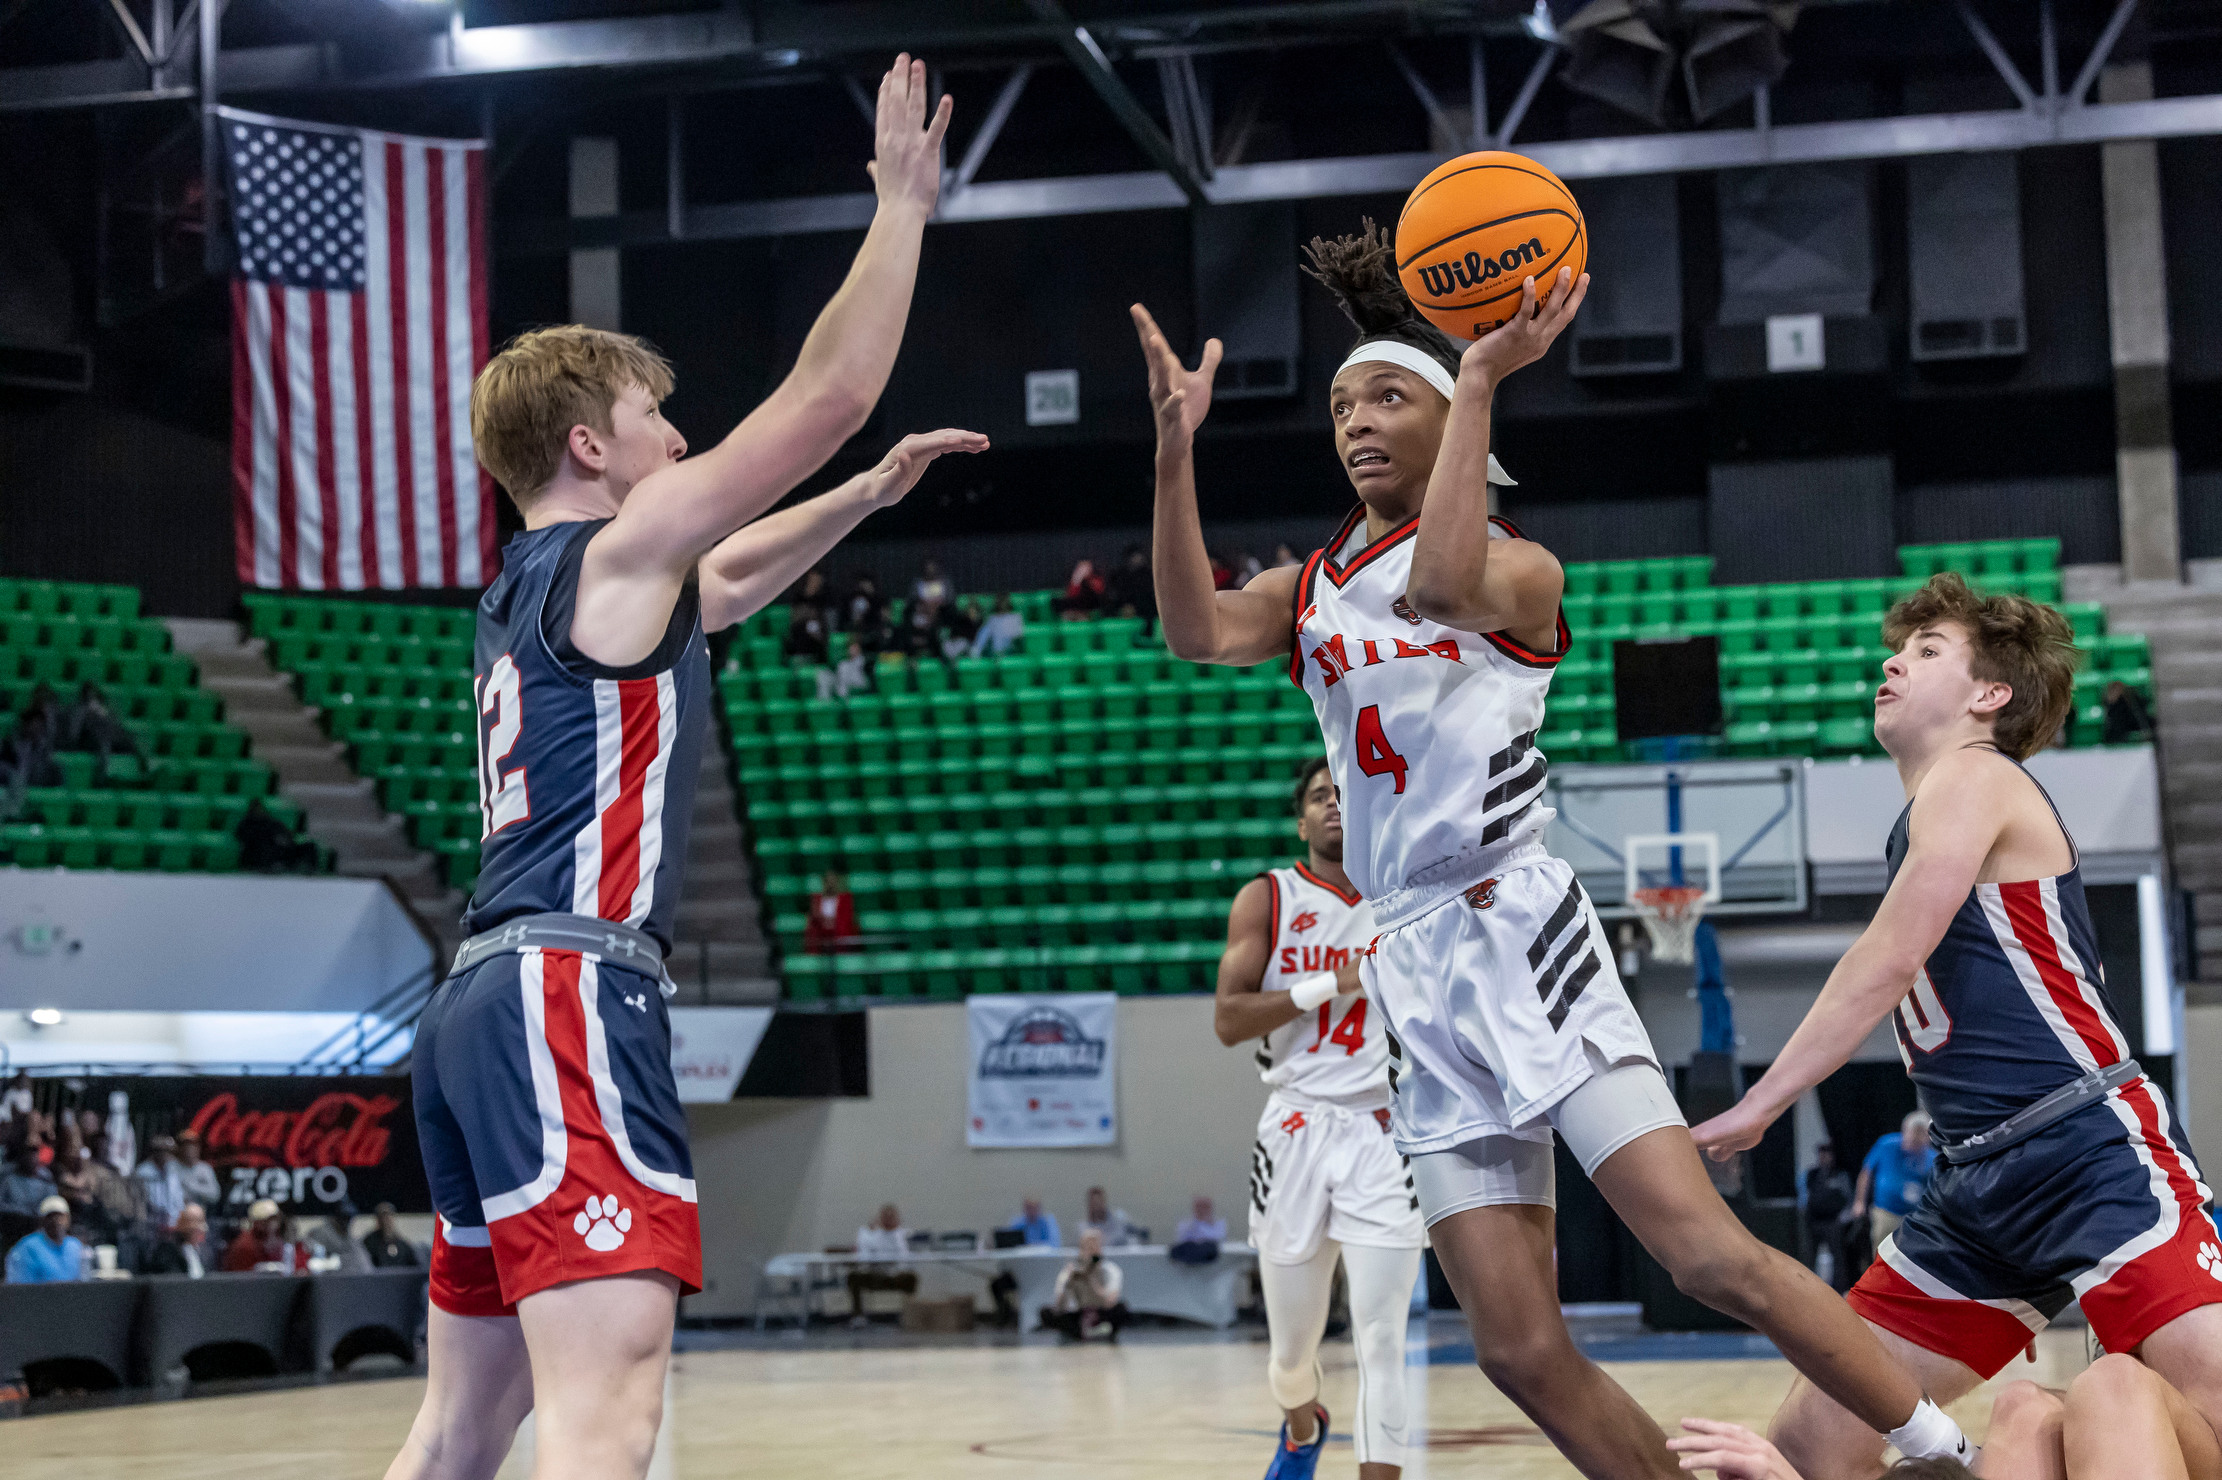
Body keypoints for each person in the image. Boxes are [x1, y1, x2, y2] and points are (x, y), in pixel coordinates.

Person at [1134, 222, 1974, 1477]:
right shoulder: (1310, 587)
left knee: (1702, 1255)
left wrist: (1475, 375)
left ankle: (1934, 1450)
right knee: (1515, 1346)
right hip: (1406, 956)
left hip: (1513, 924)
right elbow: (1193, 629)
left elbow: (1442, 589)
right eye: (1337, 406)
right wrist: (1171, 452)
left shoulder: (1522, 567)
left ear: (1444, 419)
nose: (1352, 422)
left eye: (1382, 397)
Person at [391, 57, 979, 1480]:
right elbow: (828, 393)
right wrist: (900, 206)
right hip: (569, 1000)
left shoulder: (532, 588)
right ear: (593, 447)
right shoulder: (611, 555)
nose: (687, 439)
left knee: (466, 1423)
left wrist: (863, 497)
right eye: (663, 423)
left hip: (480, 1005)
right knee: (607, 1410)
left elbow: (723, 579)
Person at [1690, 573, 2222, 1480]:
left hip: (2090, 1146)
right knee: (1808, 1451)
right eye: (1900, 649)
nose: (1892, 661)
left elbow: (1887, 957)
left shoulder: (1976, 773)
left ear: (1989, 696)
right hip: (1975, 1182)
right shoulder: (1931, 808)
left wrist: (1762, 1102)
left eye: (1927, 651)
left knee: (2188, 1423)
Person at [1214, 754, 1424, 1480]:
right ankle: (1303, 1429)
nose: (1334, 804)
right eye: (1318, 796)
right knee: (1290, 1357)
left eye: (1345, 793)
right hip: (1297, 1125)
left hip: (1384, 1129)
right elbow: (1228, 1020)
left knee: (1382, 1340)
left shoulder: (1406, 895)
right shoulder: (1266, 899)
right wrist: (1328, 985)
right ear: (1299, 819)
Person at [1849, 1112, 1934, 1253]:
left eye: (1919, 1141)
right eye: (1912, 1140)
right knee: (1881, 1252)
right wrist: (1859, 1202)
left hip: (1914, 1218)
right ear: (1905, 1131)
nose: (1914, 1145)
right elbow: (1866, 1173)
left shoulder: (1932, 1158)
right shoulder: (1887, 1144)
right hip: (1886, 1212)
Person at [1041, 1229, 1129, 1341]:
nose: (1090, 1252)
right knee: (1046, 1312)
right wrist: (1068, 1285)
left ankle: (1096, 1329)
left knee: (1121, 1309)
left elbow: (1110, 1301)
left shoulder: (1110, 1270)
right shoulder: (1070, 1271)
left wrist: (1092, 1281)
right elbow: (1060, 1306)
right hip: (1079, 1314)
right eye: (1086, 1248)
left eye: (1093, 1248)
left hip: (1102, 1312)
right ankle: (1083, 1330)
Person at [847, 1203, 918, 1325]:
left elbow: (905, 1258)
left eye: (891, 1217)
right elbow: (864, 1256)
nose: (888, 1220)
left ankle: (910, 1314)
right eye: (885, 1216)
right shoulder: (872, 1235)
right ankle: (858, 1316)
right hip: (877, 1275)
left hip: (897, 1276)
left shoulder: (903, 1235)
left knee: (911, 1278)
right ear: (880, 1218)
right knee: (853, 1277)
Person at [60, 680, 144, 781]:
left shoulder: (104, 708)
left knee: (132, 740)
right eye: (89, 695)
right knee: (103, 741)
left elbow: (116, 725)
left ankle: (143, 768)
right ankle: (102, 776)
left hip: (110, 736)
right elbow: (74, 732)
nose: (92, 698)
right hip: (90, 740)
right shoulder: (79, 709)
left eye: (94, 695)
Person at [1797, 1142, 1854, 1289]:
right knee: (1809, 1255)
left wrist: (1842, 1218)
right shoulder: (1811, 1174)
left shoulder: (1840, 1175)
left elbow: (1849, 1198)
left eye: (1827, 1153)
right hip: (1814, 1220)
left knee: (1838, 1258)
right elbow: (1803, 1195)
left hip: (1833, 1221)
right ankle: (1806, 1286)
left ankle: (1839, 1289)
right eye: (1821, 1153)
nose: (1824, 1156)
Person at [5, 1196, 87, 1283]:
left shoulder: (75, 1245)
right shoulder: (27, 1247)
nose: (56, 1221)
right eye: (50, 1217)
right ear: (42, 1220)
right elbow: (19, 1287)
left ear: (68, 1219)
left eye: (60, 1216)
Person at [236, 797, 320, 873]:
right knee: (266, 848)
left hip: (282, 848)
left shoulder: (271, 821)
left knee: (309, 846)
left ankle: (308, 868)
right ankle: (272, 866)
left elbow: (286, 833)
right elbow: (244, 838)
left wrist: (285, 839)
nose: (258, 811)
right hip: (261, 852)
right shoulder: (246, 824)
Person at [223, 1198, 304, 1272]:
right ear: (256, 1222)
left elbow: (297, 1266)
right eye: (266, 1220)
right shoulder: (244, 1245)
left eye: (275, 1218)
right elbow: (241, 1278)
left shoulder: (283, 1239)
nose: (272, 1223)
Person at [135, 1134, 188, 1234]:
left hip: (172, 1225)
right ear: (155, 1152)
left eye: (169, 1151)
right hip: (149, 1224)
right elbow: (144, 1202)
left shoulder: (173, 1172)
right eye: (162, 1151)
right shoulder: (143, 1172)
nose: (166, 1155)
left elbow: (178, 1200)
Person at [146, 1202, 214, 1278]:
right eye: (196, 1230)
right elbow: (173, 1281)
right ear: (188, 1231)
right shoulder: (168, 1251)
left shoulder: (202, 1253)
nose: (201, 1234)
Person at [805, 869, 860, 954]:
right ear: (824, 882)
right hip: (821, 939)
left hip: (840, 938)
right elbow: (813, 919)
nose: (830, 884)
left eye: (833, 881)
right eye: (828, 881)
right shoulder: (816, 899)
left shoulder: (845, 899)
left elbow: (848, 919)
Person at [0, 1141, 55, 1217]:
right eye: (28, 1154)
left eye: (34, 1153)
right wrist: (20, 1211)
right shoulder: (9, 1180)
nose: (31, 1158)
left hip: (38, 1222)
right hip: (12, 1221)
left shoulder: (46, 1181)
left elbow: (51, 1205)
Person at [1106, 544, 1157, 624]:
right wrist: (1124, 607)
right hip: (1121, 616)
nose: (1137, 559)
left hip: (1145, 616)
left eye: (1138, 556)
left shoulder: (1148, 575)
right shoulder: (1119, 576)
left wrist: (1137, 609)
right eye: (1133, 556)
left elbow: (1150, 597)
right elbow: (1114, 596)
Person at [173, 1129, 221, 1211]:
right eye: (185, 1145)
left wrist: (191, 1186)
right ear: (179, 1148)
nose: (189, 1149)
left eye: (192, 1145)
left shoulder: (205, 1169)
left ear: (198, 1148)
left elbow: (215, 1195)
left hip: (196, 1215)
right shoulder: (171, 1166)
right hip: (174, 1214)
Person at [1170, 1196, 1225, 1265]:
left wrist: (1206, 1223)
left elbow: (1218, 1238)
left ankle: (1192, 1260)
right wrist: (1196, 1222)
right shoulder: (1186, 1223)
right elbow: (1181, 1238)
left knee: (1207, 1246)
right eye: (1199, 1207)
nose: (1201, 1209)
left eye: (1205, 1207)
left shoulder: (1219, 1223)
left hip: (1208, 1248)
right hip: (1190, 1247)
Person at [365, 1203, 422, 1268]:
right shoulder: (368, 1243)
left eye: (389, 1215)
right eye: (383, 1216)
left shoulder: (402, 1244)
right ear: (377, 1219)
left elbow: (416, 1266)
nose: (386, 1219)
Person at [2101, 678, 2155, 745]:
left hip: (2131, 723)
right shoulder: (2112, 706)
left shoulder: (2132, 700)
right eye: (2115, 689)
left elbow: (2141, 709)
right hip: (2118, 731)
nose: (2117, 691)